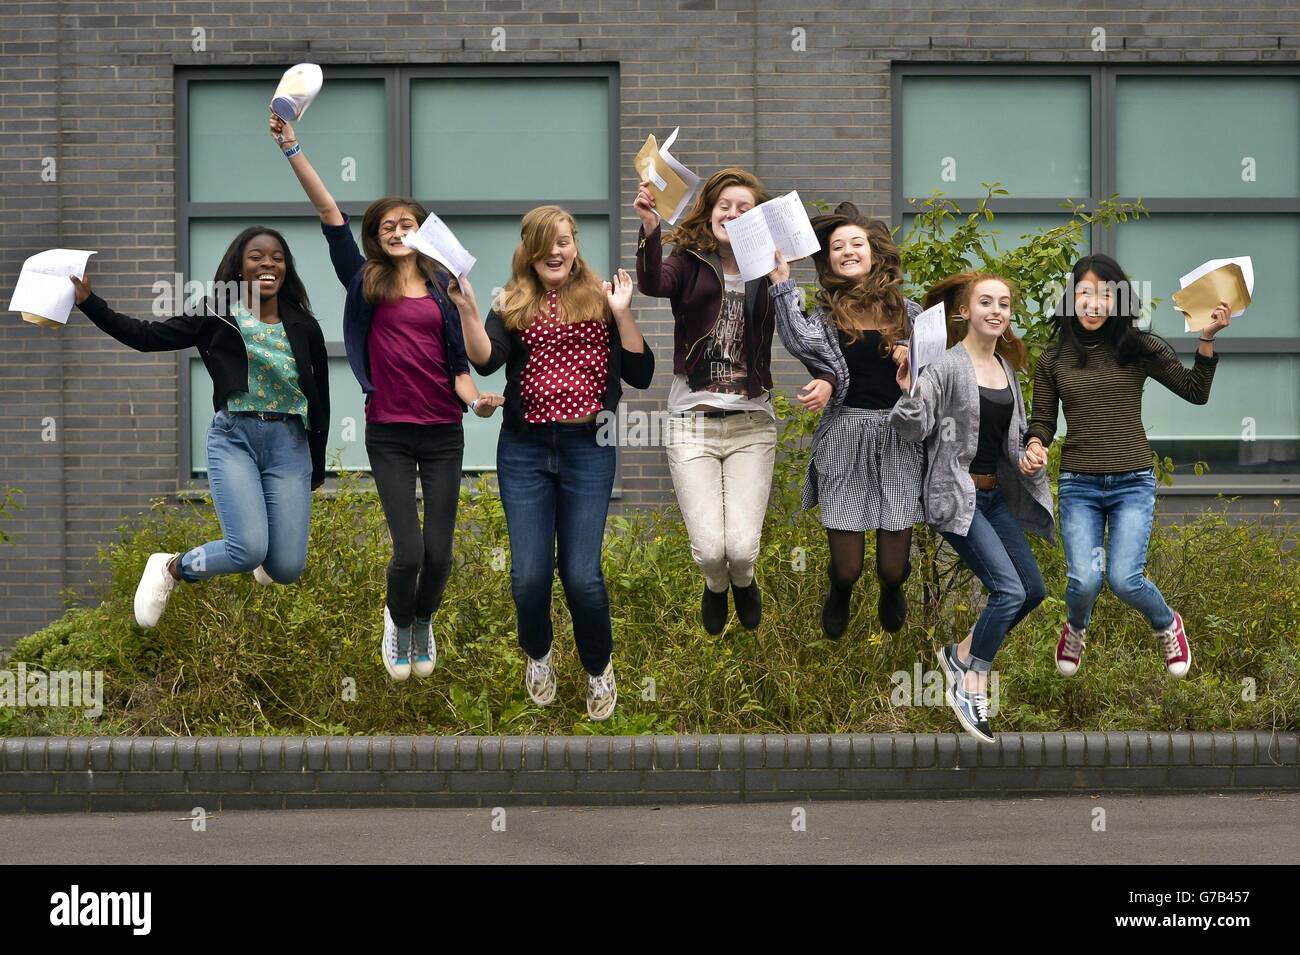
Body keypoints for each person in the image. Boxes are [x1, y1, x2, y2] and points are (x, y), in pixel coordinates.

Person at [270, 110, 502, 683]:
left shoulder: (446, 292)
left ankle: (424, 620)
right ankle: (397, 622)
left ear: (423, 231)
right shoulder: (362, 279)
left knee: (442, 556)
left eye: (408, 224)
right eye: (388, 226)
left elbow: (459, 370)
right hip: (391, 434)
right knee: (410, 553)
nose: (399, 232)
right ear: (377, 236)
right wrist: (293, 147)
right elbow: (329, 214)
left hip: (444, 433)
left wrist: (478, 400)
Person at [72, 227, 329, 628]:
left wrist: (316, 462)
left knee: (288, 568)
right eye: (256, 256)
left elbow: (320, 396)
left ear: (286, 268)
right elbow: (145, 336)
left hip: (289, 445)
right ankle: (172, 568)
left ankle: (262, 555)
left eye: (277, 257)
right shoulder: (214, 314)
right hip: (235, 439)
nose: (268, 264)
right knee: (245, 550)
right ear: (240, 268)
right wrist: (91, 304)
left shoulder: (304, 326)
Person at [466, 206, 654, 721]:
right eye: (545, 243)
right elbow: (485, 360)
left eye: (564, 241)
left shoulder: (600, 297)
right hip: (525, 449)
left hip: (588, 449)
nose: (555, 251)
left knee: (582, 576)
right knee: (529, 576)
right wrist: (466, 309)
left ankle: (598, 668)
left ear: (575, 246)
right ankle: (540, 655)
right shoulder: (510, 300)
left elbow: (640, 372)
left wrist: (621, 312)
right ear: (529, 249)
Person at [1026, 253, 1230, 680]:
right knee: (1084, 581)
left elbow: (1195, 392)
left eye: (1103, 294)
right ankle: (1076, 627)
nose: (1093, 303)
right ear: (1071, 298)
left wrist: (1207, 339)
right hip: (1079, 482)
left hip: (1132, 482)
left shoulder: (1139, 348)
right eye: (1085, 293)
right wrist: (1034, 444)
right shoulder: (1053, 358)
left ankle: (1167, 624)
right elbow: (1043, 420)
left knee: (1123, 579)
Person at [890, 272, 1055, 743]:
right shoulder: (945, 366)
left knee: (1033, 590)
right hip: (956, 496)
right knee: (1007, 592)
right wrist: (907, 389)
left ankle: (960, 653)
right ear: (965, 311)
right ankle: (972, 681)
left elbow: (1012, 440)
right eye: (986, 302)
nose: (996, 310)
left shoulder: (1007, 371)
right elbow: (913, 428)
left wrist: (1029, 454)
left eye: (1004, 303)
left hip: (994, 495)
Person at [769, 201, 925, 638]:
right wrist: (781, 283)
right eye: (838, 246)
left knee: (893, 570)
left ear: (874, 252)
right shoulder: (825, 316)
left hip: (899, 438)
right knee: (848, 568)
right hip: (844, 435)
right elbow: (802, 342)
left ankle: (893, 589)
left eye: (857, 243)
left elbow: (935, 376)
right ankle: (839, 590)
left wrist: (913, 361)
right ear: (830, 259)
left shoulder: (908, 314)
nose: (848, 251)